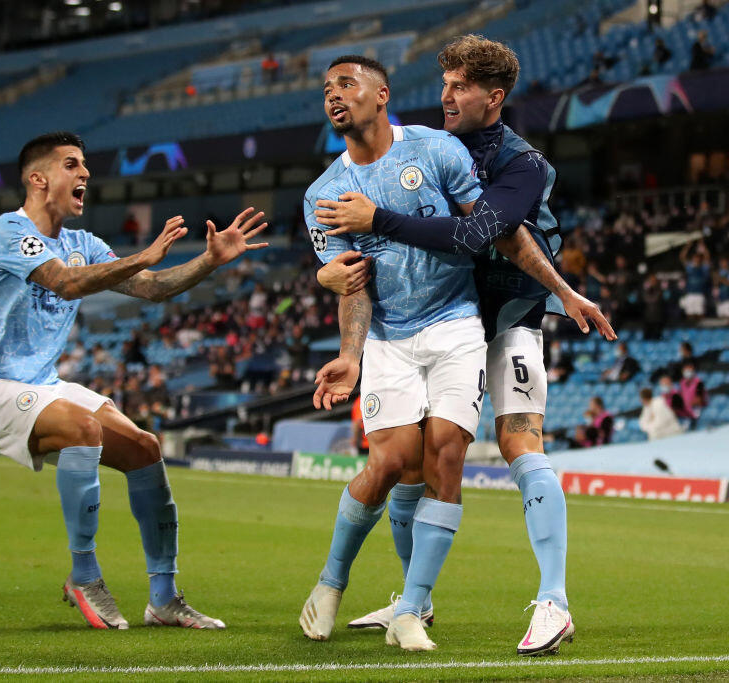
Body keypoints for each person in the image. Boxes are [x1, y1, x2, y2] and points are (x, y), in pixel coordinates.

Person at [312, 37, 615, 656]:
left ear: (494, 97)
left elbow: (483, 234)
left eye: (460, 87)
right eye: (444, 84)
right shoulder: (429, 146)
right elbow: (354, 260)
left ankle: (554, 601)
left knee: (519, 441)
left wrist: (563, 292)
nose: (446, 97)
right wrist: (326, 274)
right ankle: (414, 601)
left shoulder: (523, 164)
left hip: (510, 317)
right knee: (412, 462)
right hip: (445, 319)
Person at [0, 131, 267, 632]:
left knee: (145, 448)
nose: (85, 173)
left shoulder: (83, 244)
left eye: (84, 165)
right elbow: (63, 282)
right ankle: (84, 576)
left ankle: (163, 599)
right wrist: (142, 255)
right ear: (38, 179)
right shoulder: (7, 233)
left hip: (41, 384)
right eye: (71, 165)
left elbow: (152, 288)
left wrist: (208, 261)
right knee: (84, 429)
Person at [298, 55, 488, 653]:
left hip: (455, 320)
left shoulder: (435, 150)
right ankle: (331, 582)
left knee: (446, 454)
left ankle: (411, 609)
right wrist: (350, 356)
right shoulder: (323, 194)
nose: (334, 95)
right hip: (388, 338)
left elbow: (483, 232)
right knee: (390, 466)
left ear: (382, 94)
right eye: (327, 88)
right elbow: (351, 283)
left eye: (346, 83)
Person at [676, 361, 708, 428]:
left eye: (689, 370)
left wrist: (689, 404)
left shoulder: (699, 382)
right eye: (685, 370)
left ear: (693, 371)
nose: (687, 372)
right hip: (686, 410)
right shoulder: (682, 382)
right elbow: (681, 396)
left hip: (696, 408)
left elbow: (699, 399)